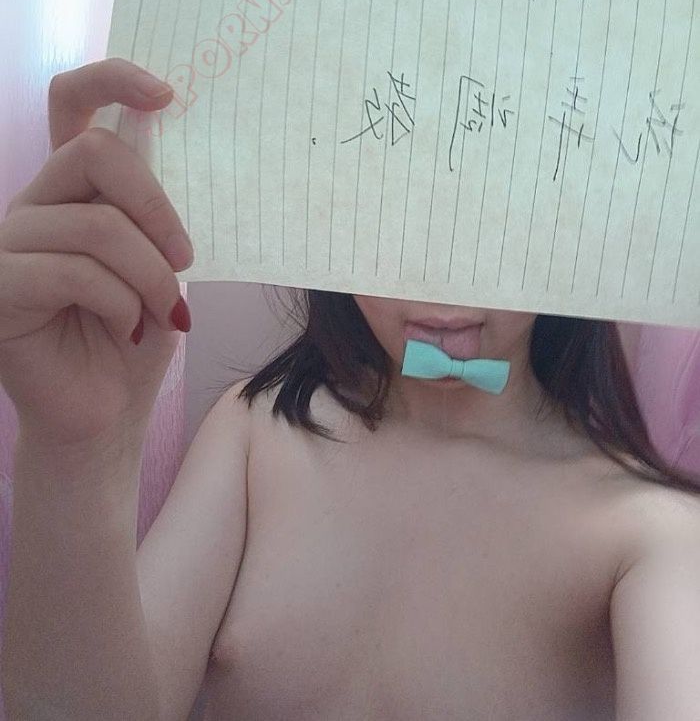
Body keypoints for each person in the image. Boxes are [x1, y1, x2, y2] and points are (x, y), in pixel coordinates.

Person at [1, 58, 699, 721]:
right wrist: (76, 452)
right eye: (395, 202)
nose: (440, 281)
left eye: (497, 209)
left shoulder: (650, 533)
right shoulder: (256, 432)